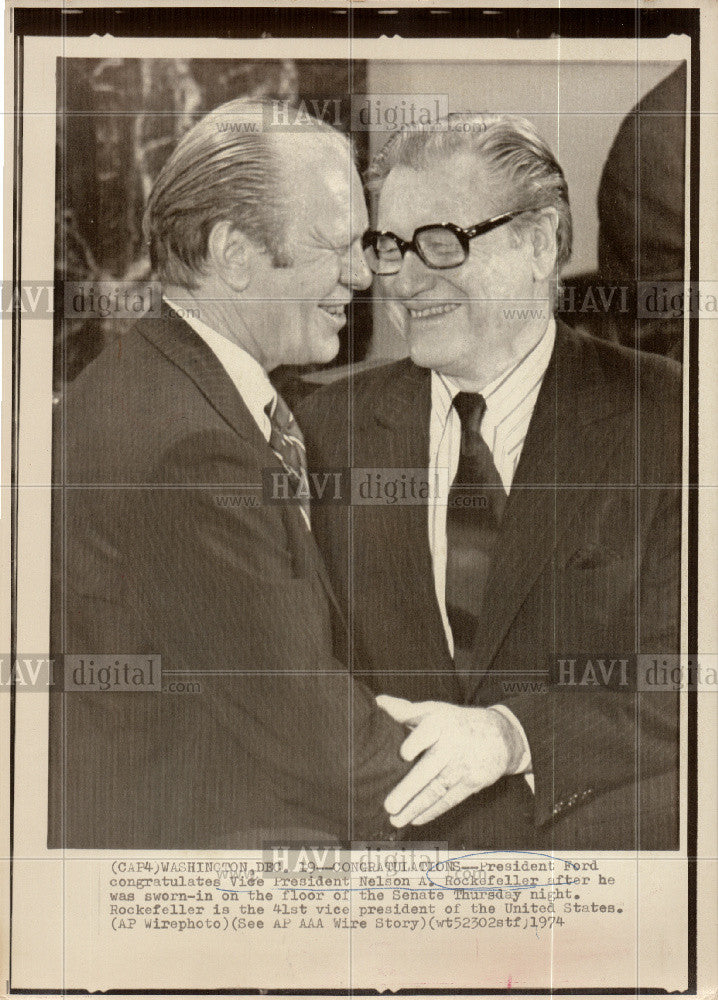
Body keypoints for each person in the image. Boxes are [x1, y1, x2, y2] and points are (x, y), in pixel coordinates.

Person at [299, 113, 681, 850]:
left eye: (441, 244)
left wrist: (511, 736)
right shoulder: (325, 432)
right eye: (390, 247)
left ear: (538, 243)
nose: (406, 282)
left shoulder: (671, 423)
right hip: (386, 870)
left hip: (594, 873)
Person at [48, 99, 412, 849]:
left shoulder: (154, 379)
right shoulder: (193, 455)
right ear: (235, 254)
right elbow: (330, 755)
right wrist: (521, 764)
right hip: (208, 843)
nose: (361, 274)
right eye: (334, 246)